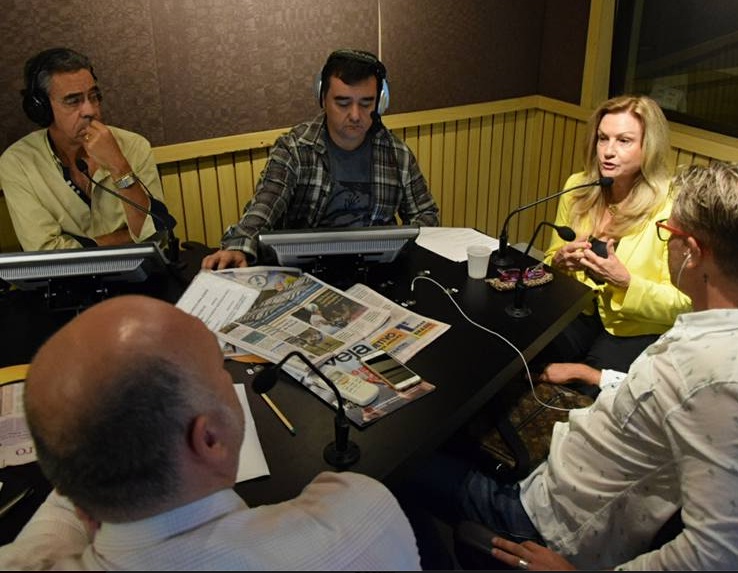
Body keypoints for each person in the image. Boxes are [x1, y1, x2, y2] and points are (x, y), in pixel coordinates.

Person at [398, 161, 738, 570]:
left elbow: (717, 552)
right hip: (554, 464)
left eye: (670, 232)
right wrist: (596, 376)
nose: (667, 241)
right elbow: (672, 402)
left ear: (694, 253)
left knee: (395, 471)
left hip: (540, 519)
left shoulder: (712, 373)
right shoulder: (710, 340)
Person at [0, 295, 421, 570]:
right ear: (209, 441)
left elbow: (54, 522)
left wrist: (90, 487)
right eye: (220, 369)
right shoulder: (362, 516)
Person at [201, 48, 439, 270]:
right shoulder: (294, 148)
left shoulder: (397, 153)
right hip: (307, 271)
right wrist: (238, 246)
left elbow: (426, 214)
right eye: (342, 103)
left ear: (380, 103)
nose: (355, 115)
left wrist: (408, 246)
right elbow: (265, 204)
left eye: (366, 103)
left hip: (375, 270)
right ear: (322, 98)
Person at [536, 94, 692, 393]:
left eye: (624, 141)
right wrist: (558, 262)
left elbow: (684, 305)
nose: (608, 152)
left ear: (649, 147)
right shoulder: (578, 187)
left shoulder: (672, 207)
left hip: (635, 327)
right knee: (522, 361)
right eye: (602, 138)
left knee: (592, 395)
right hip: (576, 309)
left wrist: (625, 282)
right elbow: (551, 258)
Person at [0, 47, 174, 251]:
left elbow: (157, 237)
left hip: (142, 275)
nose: (90, 110)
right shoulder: (17, 162)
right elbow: (45, 251)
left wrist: (119, 167)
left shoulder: (134, 146)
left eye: (93, 96)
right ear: (42, 109)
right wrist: (125, 238)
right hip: (66, 281)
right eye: (73, 101)